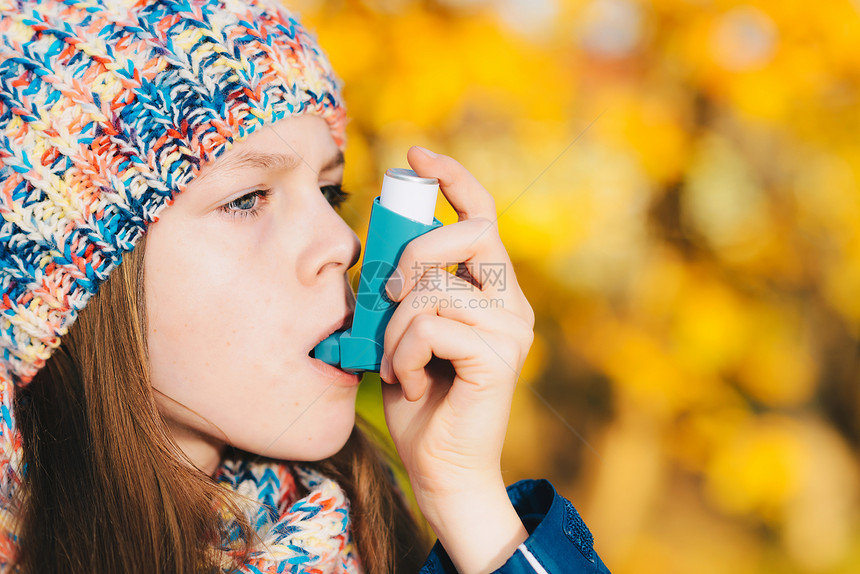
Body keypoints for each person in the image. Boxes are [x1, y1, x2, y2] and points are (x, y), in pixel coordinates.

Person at [0, 0, 611, 572]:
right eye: (246, 199)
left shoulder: (363, 537)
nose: (343, 245)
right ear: (60, 285)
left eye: (329, 193)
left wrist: (466, 497)